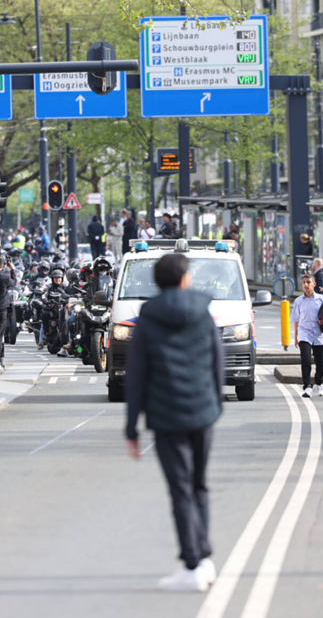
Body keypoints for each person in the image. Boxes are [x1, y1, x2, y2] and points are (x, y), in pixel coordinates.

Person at [125, 252, 224, 592]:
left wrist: (131, 428)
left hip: (166, 415)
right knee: (199, 485)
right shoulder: (203, 312)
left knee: (181, 490)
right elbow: (217, 360)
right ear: (185, 279)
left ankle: (191, 563)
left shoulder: (148, 319)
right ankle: (205, 558)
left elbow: (137, 375)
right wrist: (215, 404)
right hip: (203, 411)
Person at [291, 273, 323, 398]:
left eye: (308, 282)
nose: (306, 285)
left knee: (320, 363)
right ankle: (307, 386)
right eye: (304, 283)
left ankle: (319, 383)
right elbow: (296, 319)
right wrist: (296, 336)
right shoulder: (298, 301)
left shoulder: (322, 299)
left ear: (314, 284)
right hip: (304, 333)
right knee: (306, 360)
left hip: (318, 334)